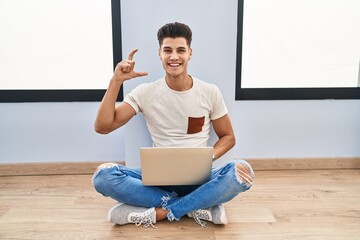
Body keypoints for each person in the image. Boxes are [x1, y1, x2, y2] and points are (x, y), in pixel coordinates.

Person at [92, 22, 254, 228]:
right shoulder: (145, 92)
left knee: (242, 171)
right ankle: (199, 205)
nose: (174, 57)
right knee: (103, 177)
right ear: (160, 53)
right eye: (167, 50)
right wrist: (116, 81)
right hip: (157, 178)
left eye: (180, 50)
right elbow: (103, 127)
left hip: (199, 178)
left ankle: (160, 211)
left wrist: (208, 157)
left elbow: (228, 137)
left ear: (190, 54)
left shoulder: (209, 91)